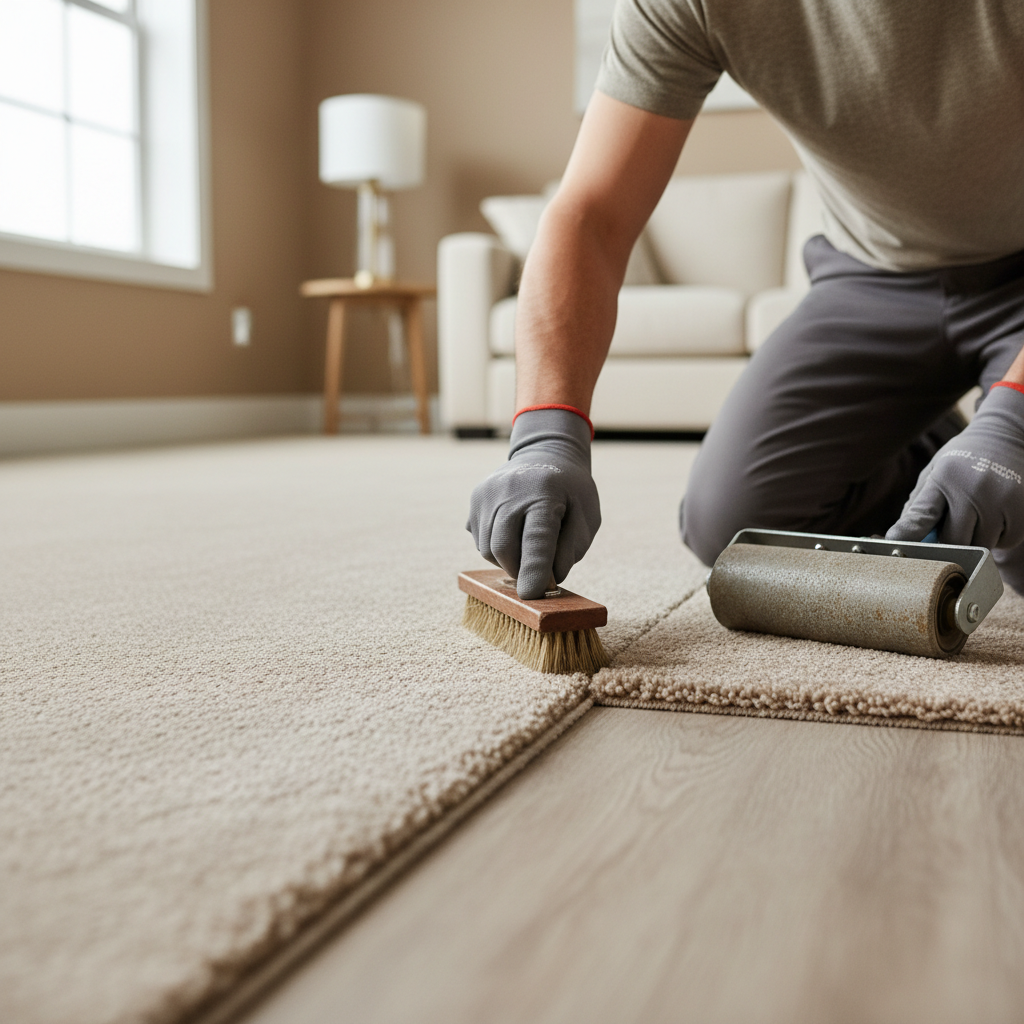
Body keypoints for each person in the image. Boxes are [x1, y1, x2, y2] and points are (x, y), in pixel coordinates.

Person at [467, 0, 1024, 601]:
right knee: (736, 529)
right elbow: (592, 217)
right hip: (871, 280)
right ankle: (921, 440)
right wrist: (545, 434)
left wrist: (1013, 424)